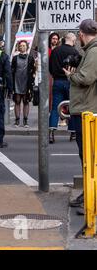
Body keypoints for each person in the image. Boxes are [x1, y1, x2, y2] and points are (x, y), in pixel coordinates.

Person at [64, 20, 97, 215]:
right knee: (88, 156)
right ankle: (89, 194)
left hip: (87, 111)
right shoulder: (91, 51)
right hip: (86, 109)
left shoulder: (93, 52)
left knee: (89, 156)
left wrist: (70, 75)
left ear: (83, 34)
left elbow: (85, 78)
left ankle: (91, 198)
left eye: (79, 36)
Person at [48, 33, 79, 143]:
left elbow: (50, 67)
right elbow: (77, 69)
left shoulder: (56, 51)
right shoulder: (75, 52)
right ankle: (73, 132)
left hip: (57, 81)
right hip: (70, 82)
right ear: (73, 40)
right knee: (71, 107)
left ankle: (51, 132)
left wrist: (56, 75)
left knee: (55, 107)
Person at [12, 40, 36, 128]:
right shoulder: (15, 58)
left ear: (27, 47)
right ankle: (17, 120)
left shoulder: (30, 58)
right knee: (17, 101)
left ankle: (25, 120)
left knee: (26, 102)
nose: (22, 47)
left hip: (27, 83)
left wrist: (32, 83)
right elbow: (12, 70)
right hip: (17, 82)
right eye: (21, 46)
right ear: (18, 47)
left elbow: (33, 70)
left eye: (24, 45)